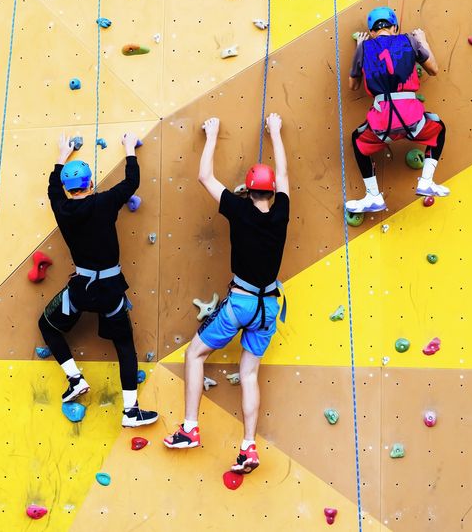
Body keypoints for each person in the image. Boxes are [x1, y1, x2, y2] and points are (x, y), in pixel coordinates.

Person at [164, 114, 290, 476]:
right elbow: (283, 175)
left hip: (241, 302)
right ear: (271, 193)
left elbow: (205, 177)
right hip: (268, 307)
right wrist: (276, 132)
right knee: (248, 374)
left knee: (195, 354)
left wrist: (213, 134)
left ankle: (190, 427)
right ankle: (249, 447)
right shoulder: (281, 212)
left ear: (247, 191)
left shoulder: (237, 210)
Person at [41, 131, 158, 428]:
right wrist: (130, 149)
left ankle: (75, 378)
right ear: (91, 184)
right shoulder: (105, 202)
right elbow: (132, 182)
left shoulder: (62, 208)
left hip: (80, 290)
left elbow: (52, 188)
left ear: (68, 190)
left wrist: (61, 157)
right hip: (110, 290)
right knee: (124, 345)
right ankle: (130, 411)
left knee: (47, 326)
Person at [345, 6, 449, 214]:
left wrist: (359, 47)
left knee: (358, 140)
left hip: (382, 123)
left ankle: (373, 195)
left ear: (372, 31)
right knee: (438, 128)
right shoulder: (409, 40)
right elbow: (434, 69)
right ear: (394, 27)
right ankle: (426, 181)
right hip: (412, 118)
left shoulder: (364, 48)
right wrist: (422, 41)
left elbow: (353, 86)